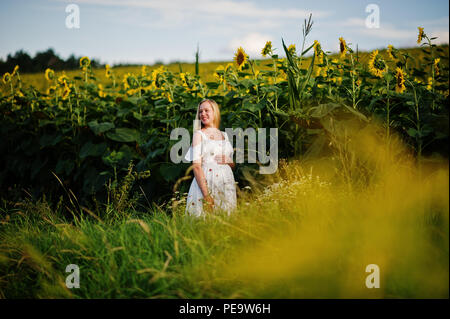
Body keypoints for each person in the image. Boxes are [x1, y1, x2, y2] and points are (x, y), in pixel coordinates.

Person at [184, 99, 237, 217]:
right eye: (200, 111)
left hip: (226, 185)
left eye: (206, 110)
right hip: (207, 183)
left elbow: (232, 165)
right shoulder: (199, 135)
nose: (202, 114)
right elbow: (196, 166)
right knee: (205, 221)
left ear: (215, 112)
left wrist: (230, 161)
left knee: (227, 221)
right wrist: (206, 195)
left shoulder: (225, 135)